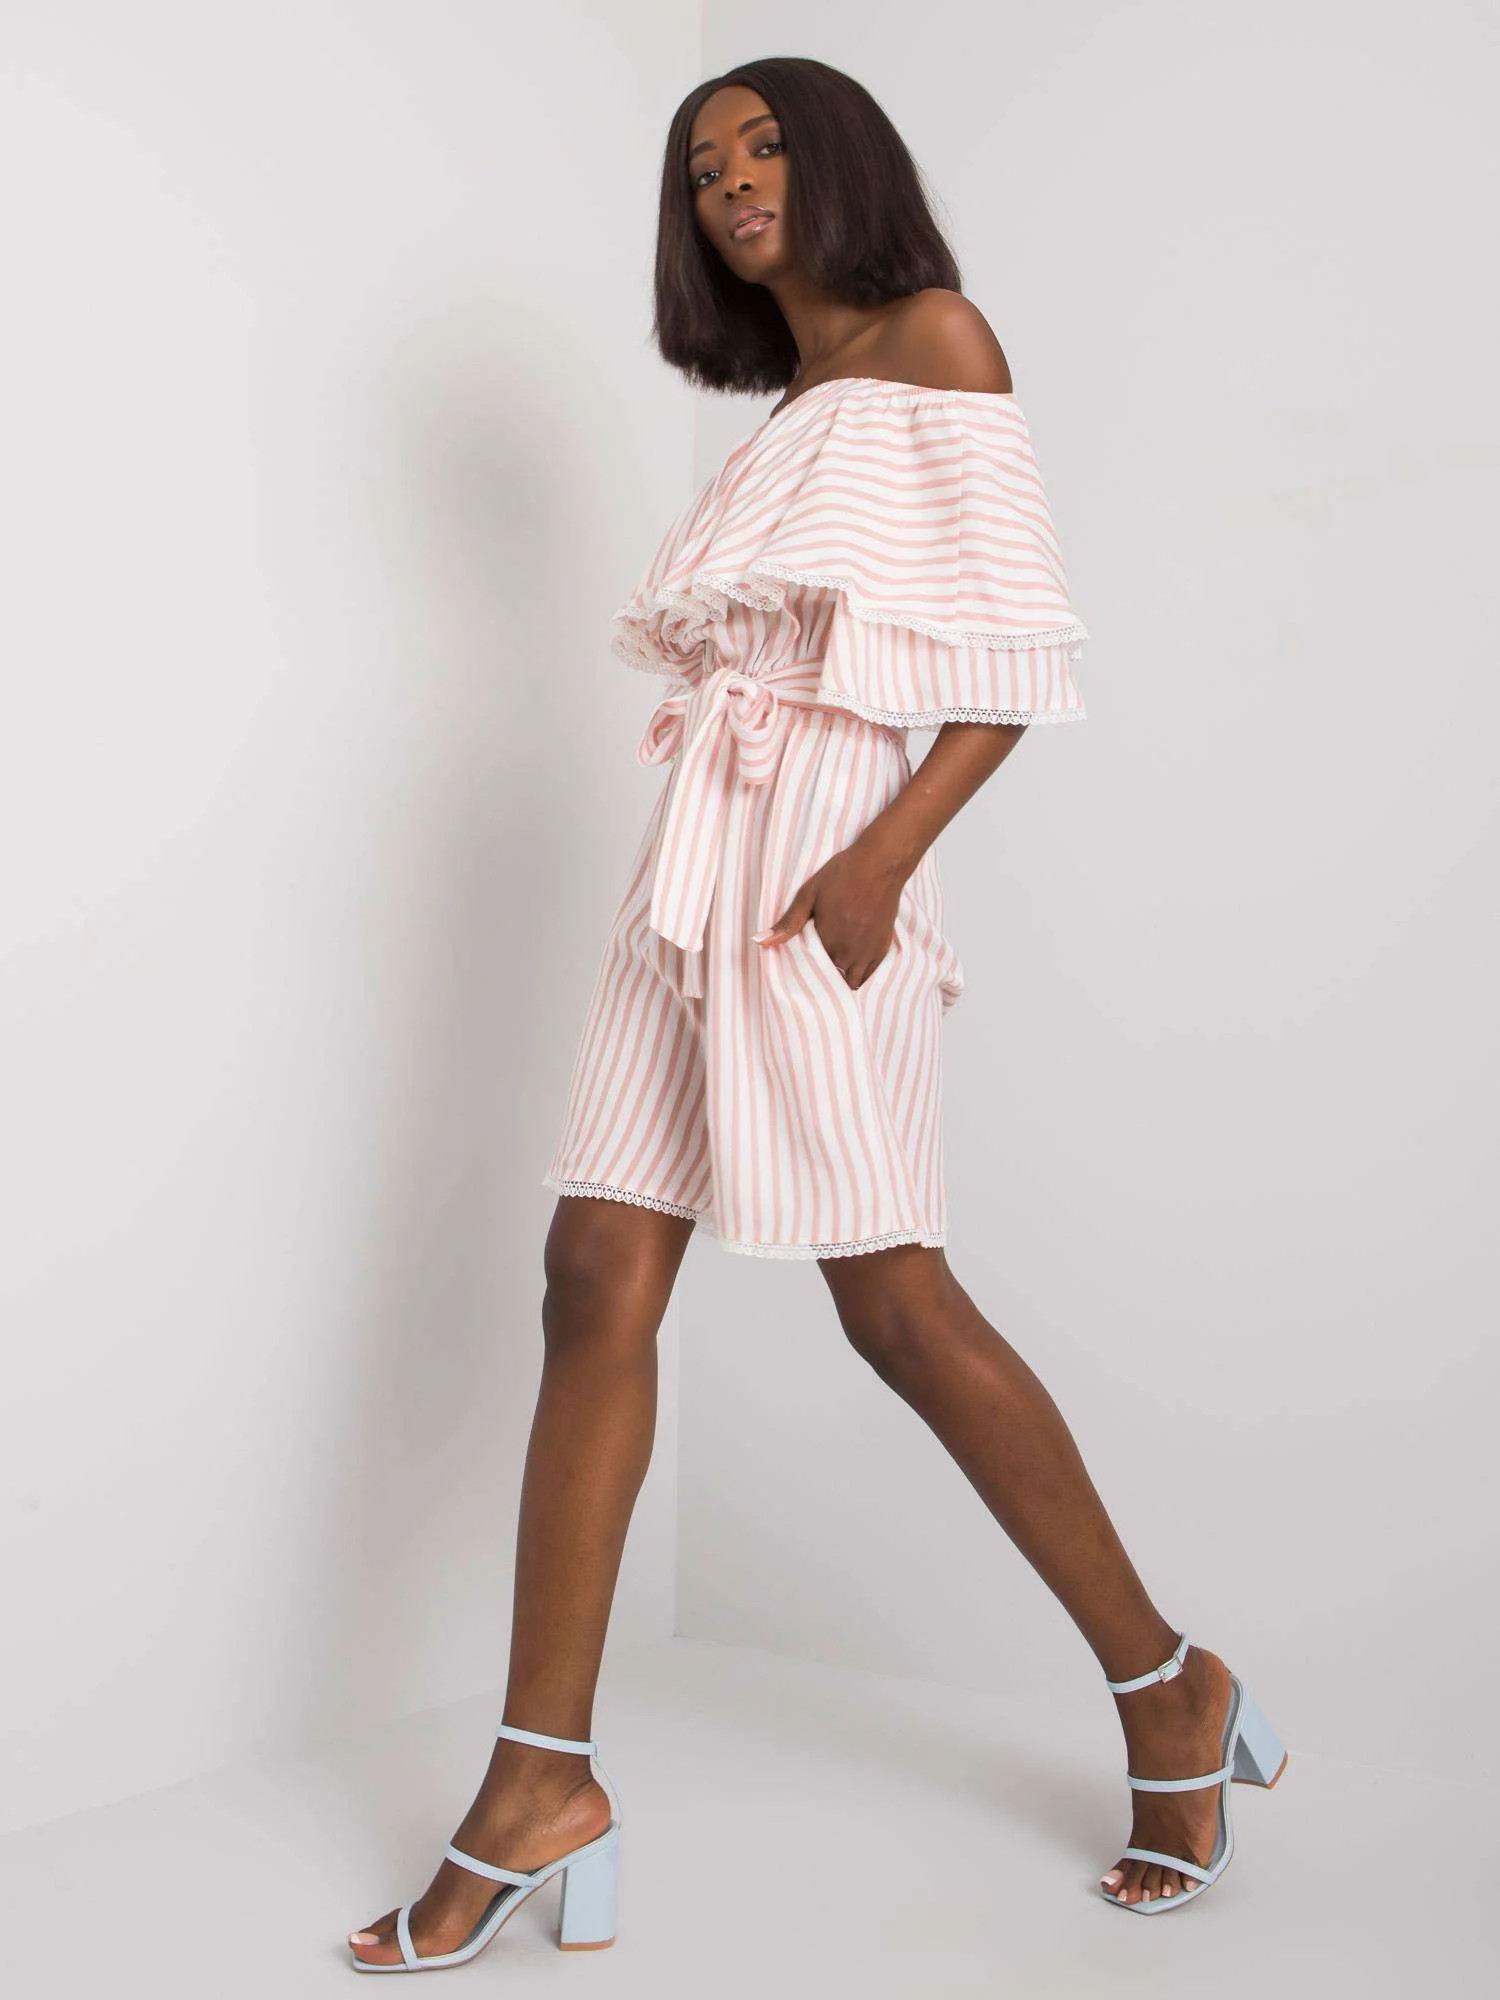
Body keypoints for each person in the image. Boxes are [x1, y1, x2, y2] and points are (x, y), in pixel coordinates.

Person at [348, 56, 1284, 1973]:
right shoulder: (788, 406)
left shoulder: (940, 339)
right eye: (704, 168)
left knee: (894, 1304)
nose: (735, 183)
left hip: (826, 868)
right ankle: (540, 1779)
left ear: (840, 158)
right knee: (593, 1269)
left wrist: (876, 866)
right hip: (694, 860)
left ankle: (1167, 1685)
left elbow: (1011, 660)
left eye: (765, 145)